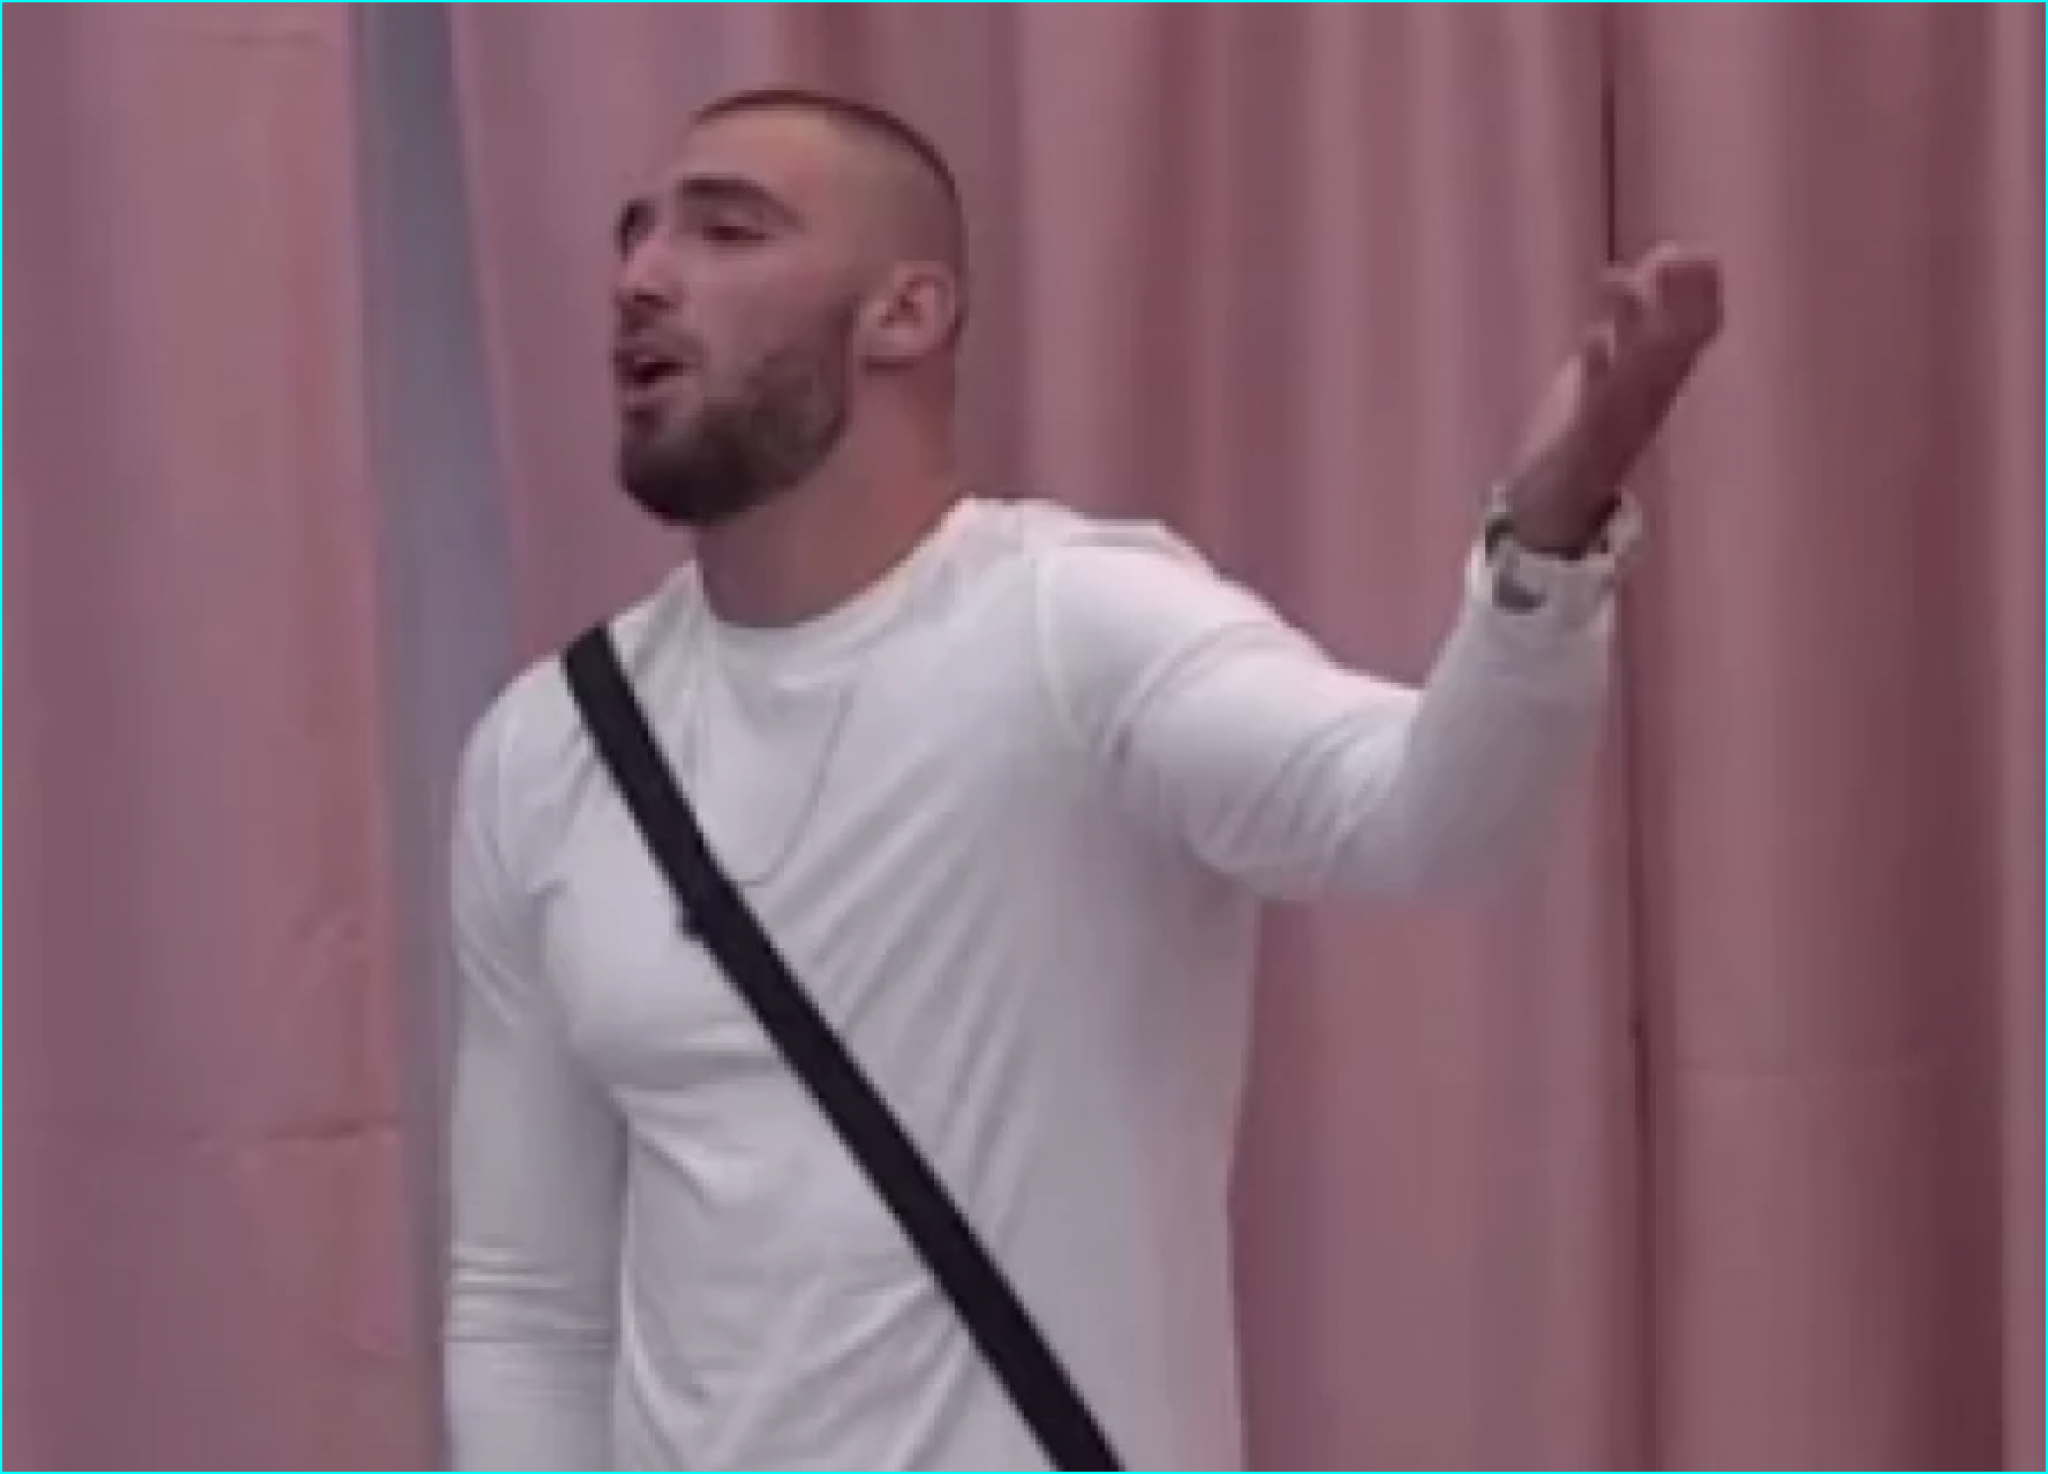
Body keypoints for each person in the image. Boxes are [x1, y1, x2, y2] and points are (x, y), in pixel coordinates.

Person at [443, 86, 1724, 1471]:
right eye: (635, 236)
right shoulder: (547, 751)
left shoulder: (1077, 630)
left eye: (727, 232)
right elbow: (527, 1302)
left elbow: (1432, 818)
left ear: (905, 314)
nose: (641, 278)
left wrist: (1545, 545)